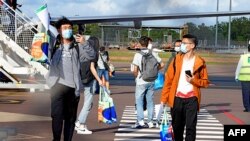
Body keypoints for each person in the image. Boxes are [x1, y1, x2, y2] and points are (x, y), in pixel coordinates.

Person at [46, 17, 95, 141]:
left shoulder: (78, 46)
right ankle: (56, 139)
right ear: (58, 30)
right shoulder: (53, 43)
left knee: (70, 118)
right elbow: (42, 54)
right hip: (56, 85)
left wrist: (84, 43)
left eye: (70, 28)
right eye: (65, 28)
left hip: (73, 88)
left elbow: (92, 55)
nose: (68, 30)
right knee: (56, 116)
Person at [161, 34, 209, 141]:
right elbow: (168, 80)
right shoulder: (176, 60)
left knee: (191, 128)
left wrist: (193, 80)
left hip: (192, 99)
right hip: (177, 98)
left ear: (192, 45)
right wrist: (164, 99)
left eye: (184, 43)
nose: (181, 45)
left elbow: (205, 82)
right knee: (177, 128)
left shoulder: (200, 62)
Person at [132, 36, 164, 128]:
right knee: (150, 101)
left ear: (140, 43)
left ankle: (140, 120)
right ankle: (150, 121)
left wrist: (137, 76)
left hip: (141, 80)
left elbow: (135, 69)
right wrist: (155, 70)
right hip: (152, 80)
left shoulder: (137, 54)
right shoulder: (153, 53)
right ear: (148, 43)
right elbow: (162, 64)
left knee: (139, 101)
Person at [75, 36, 103, 134]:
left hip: (82, 78)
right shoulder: (92, 53)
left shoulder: (82, 50)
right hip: (91, 79)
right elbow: (92, 68)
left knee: (88, 103)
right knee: (88, 103)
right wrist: (99, 79)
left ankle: (79, 122)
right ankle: (81, 124)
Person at [235, 41, 250, 112]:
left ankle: (247, 107)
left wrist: (236, 76)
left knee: (245, 93)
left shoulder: (243, 57)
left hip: (244, 78)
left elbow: (239, 67)